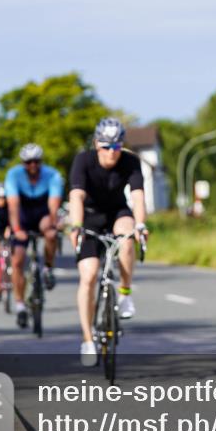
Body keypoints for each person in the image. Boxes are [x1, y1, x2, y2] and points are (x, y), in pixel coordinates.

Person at [68, 118, 148, 367]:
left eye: (116, 147)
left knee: (126, 239)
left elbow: (137, 196)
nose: (111, 152)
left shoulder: (130, 161)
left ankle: (125, 294)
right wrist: (76, 227)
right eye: (105, 146)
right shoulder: (84, 160)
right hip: (89, 217)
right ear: (96, 144)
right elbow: (76, 196)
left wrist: (141, 225)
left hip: (117, 213)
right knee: (89, 275)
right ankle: (88, 339)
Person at [5, 144, 63, 329]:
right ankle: (20, 305)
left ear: (41, 162)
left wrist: (53, 222)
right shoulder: (14, 175)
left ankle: (47, 268)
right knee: (17, 260)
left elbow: (53, 205)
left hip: (42, 215)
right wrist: (16, 228)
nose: (33, 165)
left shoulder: (52, 175)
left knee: (51, 233)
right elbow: (13, 205)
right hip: (22, 217)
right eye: (28, 162)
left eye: (36, 161)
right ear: (23, 163)